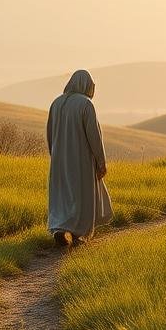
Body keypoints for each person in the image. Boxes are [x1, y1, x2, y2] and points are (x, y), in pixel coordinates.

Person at [46, 69, 113, 247]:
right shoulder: (86, 104)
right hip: (81, 159)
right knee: (81, 195)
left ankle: (59, 227)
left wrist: (55, 155)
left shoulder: (56, 103)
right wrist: (101, 162)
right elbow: (94, 137)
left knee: (62, 195)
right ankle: (78, 234)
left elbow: (50, 133)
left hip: (59, 158)